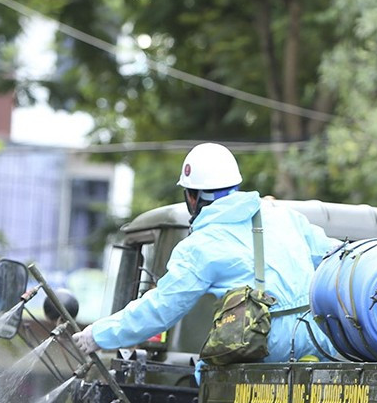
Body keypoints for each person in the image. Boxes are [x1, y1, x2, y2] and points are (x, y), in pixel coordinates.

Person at [72, 142, 339, 363]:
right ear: (235, 184)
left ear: (192, 197)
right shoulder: (285, 216)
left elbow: (161, 308)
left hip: (267, 345)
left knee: (205, 369)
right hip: (318, 337)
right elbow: (335, 254)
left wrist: (98, 335)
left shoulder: (200, 246)